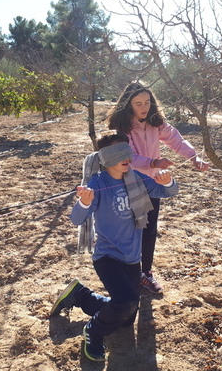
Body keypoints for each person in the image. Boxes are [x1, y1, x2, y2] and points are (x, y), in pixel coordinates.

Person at [50, 133, 179, 362]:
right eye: (118, 152)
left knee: (127, 316)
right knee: (125, 304)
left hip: (132, 258)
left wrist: (166, 180)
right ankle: (93, 331)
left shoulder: (136, 177)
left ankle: (80, 295)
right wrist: (85, 202)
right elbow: (76, 219)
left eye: (126, 150)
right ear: (106, 158)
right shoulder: (98, 183)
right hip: (108, 257)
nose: (126, 157)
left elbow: (168, 191)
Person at [107, 81, 209, 294]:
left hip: (151, 185)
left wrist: (194, 157)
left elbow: (176, 140)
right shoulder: (122, 128)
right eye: (138, 103)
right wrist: (152, 163)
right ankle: (127, 272)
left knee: (149, 229)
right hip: (128, 184)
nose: (144, 107)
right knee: (130, 230)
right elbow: (128, 156)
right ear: (128, 105)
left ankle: (145, 273)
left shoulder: (156, 123)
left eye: (147, 102)